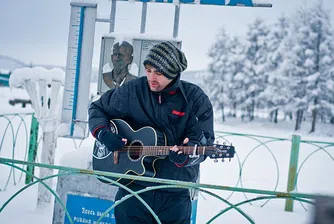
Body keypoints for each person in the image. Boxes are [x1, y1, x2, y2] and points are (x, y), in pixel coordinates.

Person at [89, 41, 214, 224]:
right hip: (132, 191)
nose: (151, 77)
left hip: (175, 194)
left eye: (159, 73)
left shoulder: (195, 98)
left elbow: (205, 143)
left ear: (172, 72)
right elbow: (98, 108)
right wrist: (103, 133)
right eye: (148, 70)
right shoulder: (134, 90)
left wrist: (188, 155)